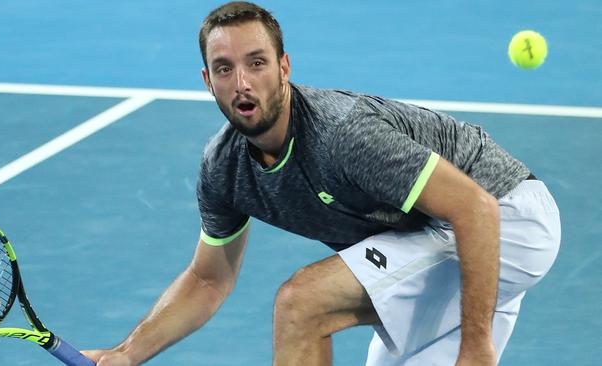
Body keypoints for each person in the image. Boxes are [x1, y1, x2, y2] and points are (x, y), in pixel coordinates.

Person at [83, 2, 561, 365]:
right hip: (435, 237)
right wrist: (126, 353)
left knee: (304, 302)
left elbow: (476, 208)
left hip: (507, 218)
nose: (242, 83)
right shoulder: (223, 168)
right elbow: (209, 279)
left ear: (285, 68)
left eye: (257, 63)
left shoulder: (343, 136)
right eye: (225, 69)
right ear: (208, 80)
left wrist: (476, 346)